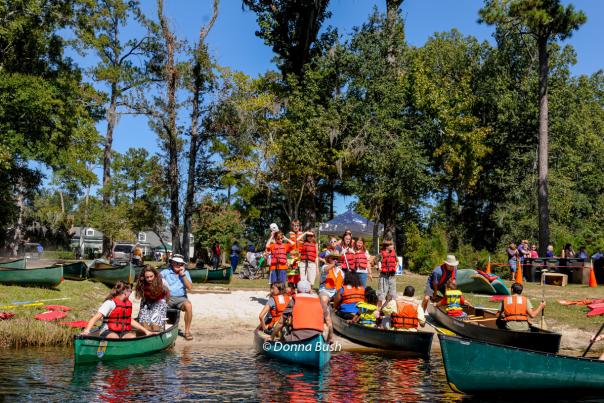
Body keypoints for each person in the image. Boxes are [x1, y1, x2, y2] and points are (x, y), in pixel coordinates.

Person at [81, 281, 152, 339]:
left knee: (132, 337)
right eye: (130, 291)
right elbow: (95, 317)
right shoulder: (110, 303)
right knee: (114, 337)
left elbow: (130, 320)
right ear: (125, 292)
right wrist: (87, 331)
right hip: (107, 330)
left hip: (122, 331)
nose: (131, 293)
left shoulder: (127, 303)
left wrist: (146, 331)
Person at [161, 254, 194, 340]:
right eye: (176, 263)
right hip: (167, 298)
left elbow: (190, 288)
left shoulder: (186, 273)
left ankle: (187, 332)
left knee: (189, 305)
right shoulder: (165, 272)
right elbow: (157, 281)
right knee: (160, 305)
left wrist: (182, 275)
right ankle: (161, 329)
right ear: (172, 263)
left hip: (181, 298)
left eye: (180, 264)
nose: (178, 265)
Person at [135, 266, 169, 331]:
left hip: (159, 302)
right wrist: (141, 310)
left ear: (155, 275)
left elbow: (168, 294)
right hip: (147, 303)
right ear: (144, 277)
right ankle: (147, 337)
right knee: (144, 323)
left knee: (154, 323)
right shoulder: (142, 283)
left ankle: (156, 334)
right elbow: (141, 297)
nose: (149, 279)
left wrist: (165, 306)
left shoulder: (162, 282)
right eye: (147, 277)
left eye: (151, 276)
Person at [377, 240, 397, 307]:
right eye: (391, 245)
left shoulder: (394, 253)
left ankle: (390, 310)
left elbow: (397, 261)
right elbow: (376, 261)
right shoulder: (381, 254)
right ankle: (379, 310)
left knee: (392, 294)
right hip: (383, 276)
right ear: (386, 247)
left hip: (392, 276)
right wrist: (379, 267)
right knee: (381, 294)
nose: (393, 246)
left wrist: (395, 268)